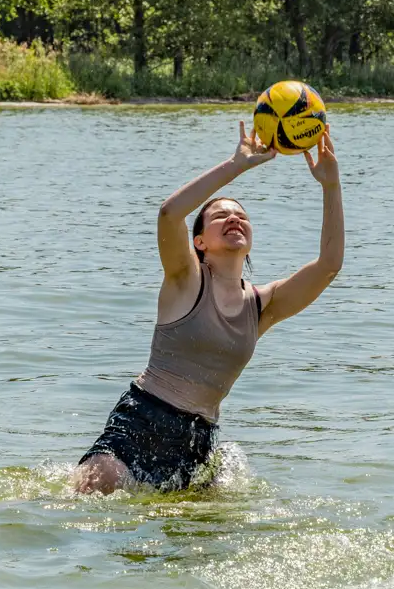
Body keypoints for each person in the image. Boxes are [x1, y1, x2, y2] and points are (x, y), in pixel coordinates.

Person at [74, 124, 344, 494]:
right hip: (141, 420)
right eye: (220, 216)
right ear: (199, 241)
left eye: (241, 216)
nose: (234, 219)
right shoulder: (184, 278)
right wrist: (237, 165)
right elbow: (170, 214)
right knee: (94, 492)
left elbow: (329, 265)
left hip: (198, 442)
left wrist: (331, 185)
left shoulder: (263, 305)